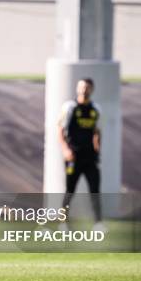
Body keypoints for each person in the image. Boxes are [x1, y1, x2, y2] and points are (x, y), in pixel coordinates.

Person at [57, 78, 105, 232]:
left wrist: (97, 148)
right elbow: (60, 129)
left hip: (90, 157)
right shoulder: (70, 107)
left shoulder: (95, 109)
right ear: (78, 88)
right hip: (73, 156)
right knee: (70, 189)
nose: (84, 90)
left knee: (95, 189)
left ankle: (98, 223)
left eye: (87, 87)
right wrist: (65, 149)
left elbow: (97, 131)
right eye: (82, 87)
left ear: (91, 90)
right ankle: (63, 223)